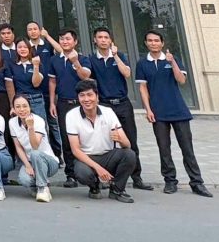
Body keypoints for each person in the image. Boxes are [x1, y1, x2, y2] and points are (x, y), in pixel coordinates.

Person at [136, 31, 212, 197]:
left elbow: (181, 80)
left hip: (178, 110)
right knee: (164, 149)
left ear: (162, 43)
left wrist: (172, 63)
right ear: (146, 43)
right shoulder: (142, 63)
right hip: (158, 112)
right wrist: (148, 109)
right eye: (150, 40)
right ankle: (170, 181)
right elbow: (143, 88)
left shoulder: (172, 59)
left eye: (157, 40)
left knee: (187, 148)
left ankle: (197, 182)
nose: (153, 43)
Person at [87, 26, 151, 191]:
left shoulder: (120, 56)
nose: (103, 40)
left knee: (130, 141)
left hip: (123, 104)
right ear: (95, 40)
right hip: (104, 105)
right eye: (100, 37)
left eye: (106, 37)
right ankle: (107, 178)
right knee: (106, 142)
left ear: (111, 40)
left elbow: (127, 73)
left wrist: (115, 55)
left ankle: (136, 177)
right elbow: (90, 81)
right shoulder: (91, 59)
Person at [65, 79, 136, 203]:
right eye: (82, 95)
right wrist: (98, 169)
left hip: (108, 156)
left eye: (90, 95)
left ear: (97, 97)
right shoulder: (71, 115)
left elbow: (127, 145)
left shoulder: (108, 112)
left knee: (129, 155)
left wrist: (120, 140)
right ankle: (94, 186)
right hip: (86, 158)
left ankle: (117, 189)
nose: (86, 99)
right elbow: (75, 150)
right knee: (82, 172)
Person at [47, 28, 92, 187]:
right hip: (63, 103)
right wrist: (52, 102)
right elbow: (52, 82)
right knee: (66, 140)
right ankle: (71, 174)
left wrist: (75, 63)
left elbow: (85, 76)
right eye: (62, 39)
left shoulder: (83, 58)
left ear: (75, 41)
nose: (64, 42)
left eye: (68, 39)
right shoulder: (54, 60)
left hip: (82, 104)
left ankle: (89, 173)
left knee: (85, 138)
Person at [9, 93, 60, 203]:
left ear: (30, 107)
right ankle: (38, 185)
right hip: (31, 161)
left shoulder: (38, 120)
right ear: (13, 108)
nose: (22, 110)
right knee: (24, 179)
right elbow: (18, 147)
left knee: (35, 153)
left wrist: (31, 127)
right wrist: (27, 165)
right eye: (18, 107)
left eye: (25, 106)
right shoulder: (12, 122)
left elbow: (35, 146)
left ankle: (42, 188)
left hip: (48, 162)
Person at [6, 39, 45, 120]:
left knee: (40, 124)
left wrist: (35, 66)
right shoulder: (12, 64)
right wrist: (12, 106)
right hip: (20, 100)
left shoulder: (37, 63)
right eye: (20, 47)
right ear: (16, 49)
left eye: (25, 47)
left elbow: (36, 84)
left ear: (29, 49)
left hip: (36, 100)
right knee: (22, 126)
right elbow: (10, 86)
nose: (22, 49)